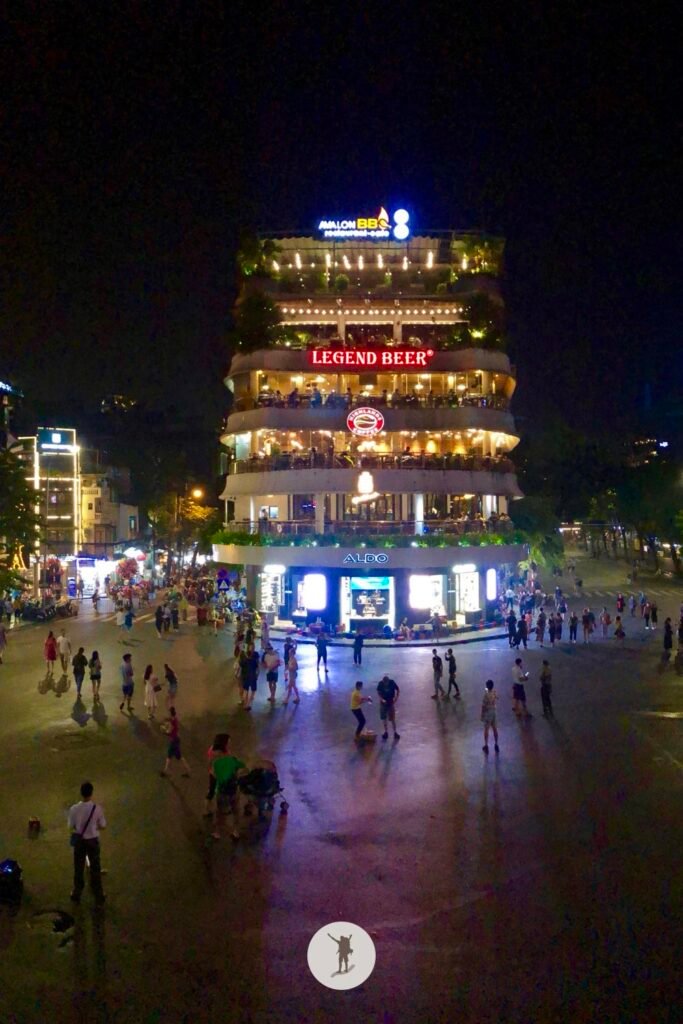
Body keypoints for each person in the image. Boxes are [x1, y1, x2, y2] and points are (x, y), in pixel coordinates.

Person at [68, 780, 106, 906]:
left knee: (78, 867)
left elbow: (70, 826)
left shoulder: (74, 809)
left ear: (81, 793)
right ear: (91, 793)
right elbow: (103, 825)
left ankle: (77, 892)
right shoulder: (97, 809)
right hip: (93, 841)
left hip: (80, 842)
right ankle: (98, 894)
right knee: (95, 867)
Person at [211, 743, 245, 840]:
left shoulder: (216, 762)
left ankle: (217, 833)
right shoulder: (234, 760)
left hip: (222, 791)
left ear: (219, 752)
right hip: (234, 791)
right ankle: (235, 832)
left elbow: (213, 775)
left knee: (220, 812)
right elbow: (244, 769)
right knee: (236, 811)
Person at [204, 733, 230, 816]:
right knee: (221, 792)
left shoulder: (212, 749)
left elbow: (209, 762)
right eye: (228, 741)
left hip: (213, 774)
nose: (229, 742)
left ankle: (207, 809)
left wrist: (209, 770)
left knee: (211, 791)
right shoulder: (221, 752)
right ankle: (221, 809)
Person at [160, 707, 191, 777]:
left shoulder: (172, 722)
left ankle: (165, 771)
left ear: (170, 714)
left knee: (169, 756)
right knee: (179, 757)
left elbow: (170, 731)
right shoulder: (175, 720)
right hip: (176, 740)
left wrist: (164, 731)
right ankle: (188, 770)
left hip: (173, 741)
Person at [376, 674, 401, 741]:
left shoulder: (392, 682)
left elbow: (398, 689)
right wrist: (381, 699)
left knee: (392, 718)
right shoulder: (380, 684)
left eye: (386, 683)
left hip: (390, 703)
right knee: (384, 718)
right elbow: (378, 692)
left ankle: (395, 732)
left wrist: (396, 698)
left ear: (388, 681)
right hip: (383, 703)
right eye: (384, 683)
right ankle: (386, 732)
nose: (385, 684)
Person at [481, 679, 499, 754]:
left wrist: (482, 714)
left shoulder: (486, 695)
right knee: (495, 728)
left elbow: (483, 706)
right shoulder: (494, 692)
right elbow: (497, 697)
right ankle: (496, 743)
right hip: (494, 711)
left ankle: (486, 745)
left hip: (488, 713)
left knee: (486, 729)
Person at [239, 645, 260, 710]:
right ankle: (248, 703)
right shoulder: (254, 661)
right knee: (253, 690)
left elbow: (239, 666)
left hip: (245, 677)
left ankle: (245, 703)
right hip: (253, 676)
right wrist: (257, 675)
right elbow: (257, 668)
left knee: (245, 690)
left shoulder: (244, 661)